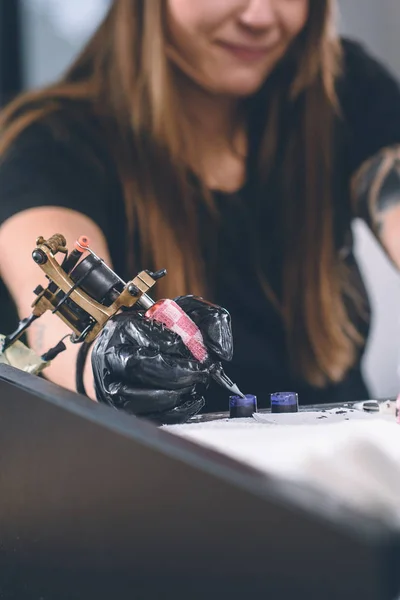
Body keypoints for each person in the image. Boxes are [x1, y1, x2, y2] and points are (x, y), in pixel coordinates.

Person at [0, 0, 400, 424]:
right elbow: (44, 295)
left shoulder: (342, 89)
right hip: (160, 483)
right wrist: (104, 364)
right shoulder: (50, 142)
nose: (260, 17)